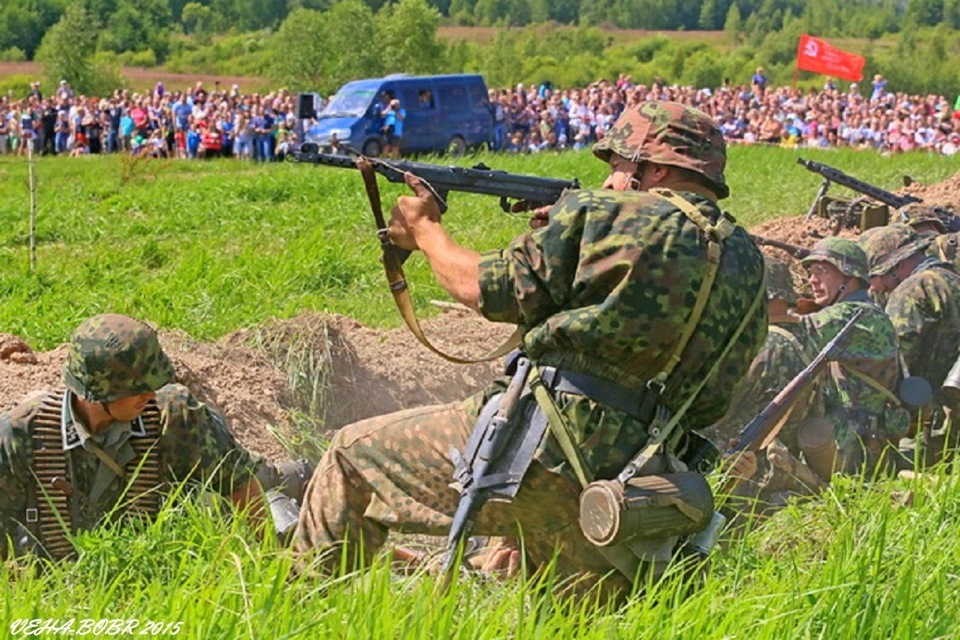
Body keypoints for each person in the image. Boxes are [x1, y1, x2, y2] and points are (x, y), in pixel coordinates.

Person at [293, 101, 768, 599]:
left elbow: (484, 288)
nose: (607, 180)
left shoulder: (610, 214)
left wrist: (424, 230)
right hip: (638, 488)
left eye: (618, 165)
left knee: (352, 457)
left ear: (657, 166)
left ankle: (300, 612)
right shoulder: (747, 259)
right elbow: (716, 393)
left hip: (540, 453)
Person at [0, 314, 309, 562]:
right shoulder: (24, 434)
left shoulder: (172, 415)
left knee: (268, 484)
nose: (151, 394)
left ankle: (309, 474)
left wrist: (270, 560)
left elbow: (239, 481)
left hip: (190, 513)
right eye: (138, 387)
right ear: (95, 391)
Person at [787, 238, 906, 478]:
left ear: (848, 277)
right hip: (856, 444)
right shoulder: (864, 312)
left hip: (853, 449)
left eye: (822, 271)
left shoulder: (854, 316)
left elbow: (788, 337)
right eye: (811, 272)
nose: (812, 279)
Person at [859, 224, 960, 465]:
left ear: (898, 266)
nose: (874, 286)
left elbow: (893, 360)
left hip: (936, 428)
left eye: (876, 275)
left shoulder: (911, 291)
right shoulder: (951, 278)